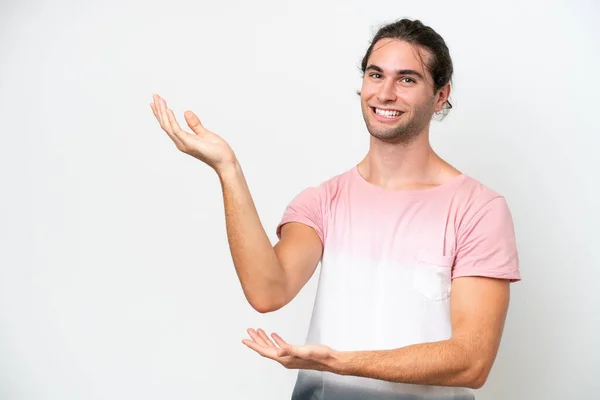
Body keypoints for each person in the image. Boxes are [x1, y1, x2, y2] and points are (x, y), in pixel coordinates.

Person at [150, 17, 521, 400]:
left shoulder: (478, 209)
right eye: (376, 75)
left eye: (407, 79)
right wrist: (228, 169)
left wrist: (337, 362)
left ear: (440, 95)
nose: (386, 93)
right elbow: (268, 290)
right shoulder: (322, 201)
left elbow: (472, 362)